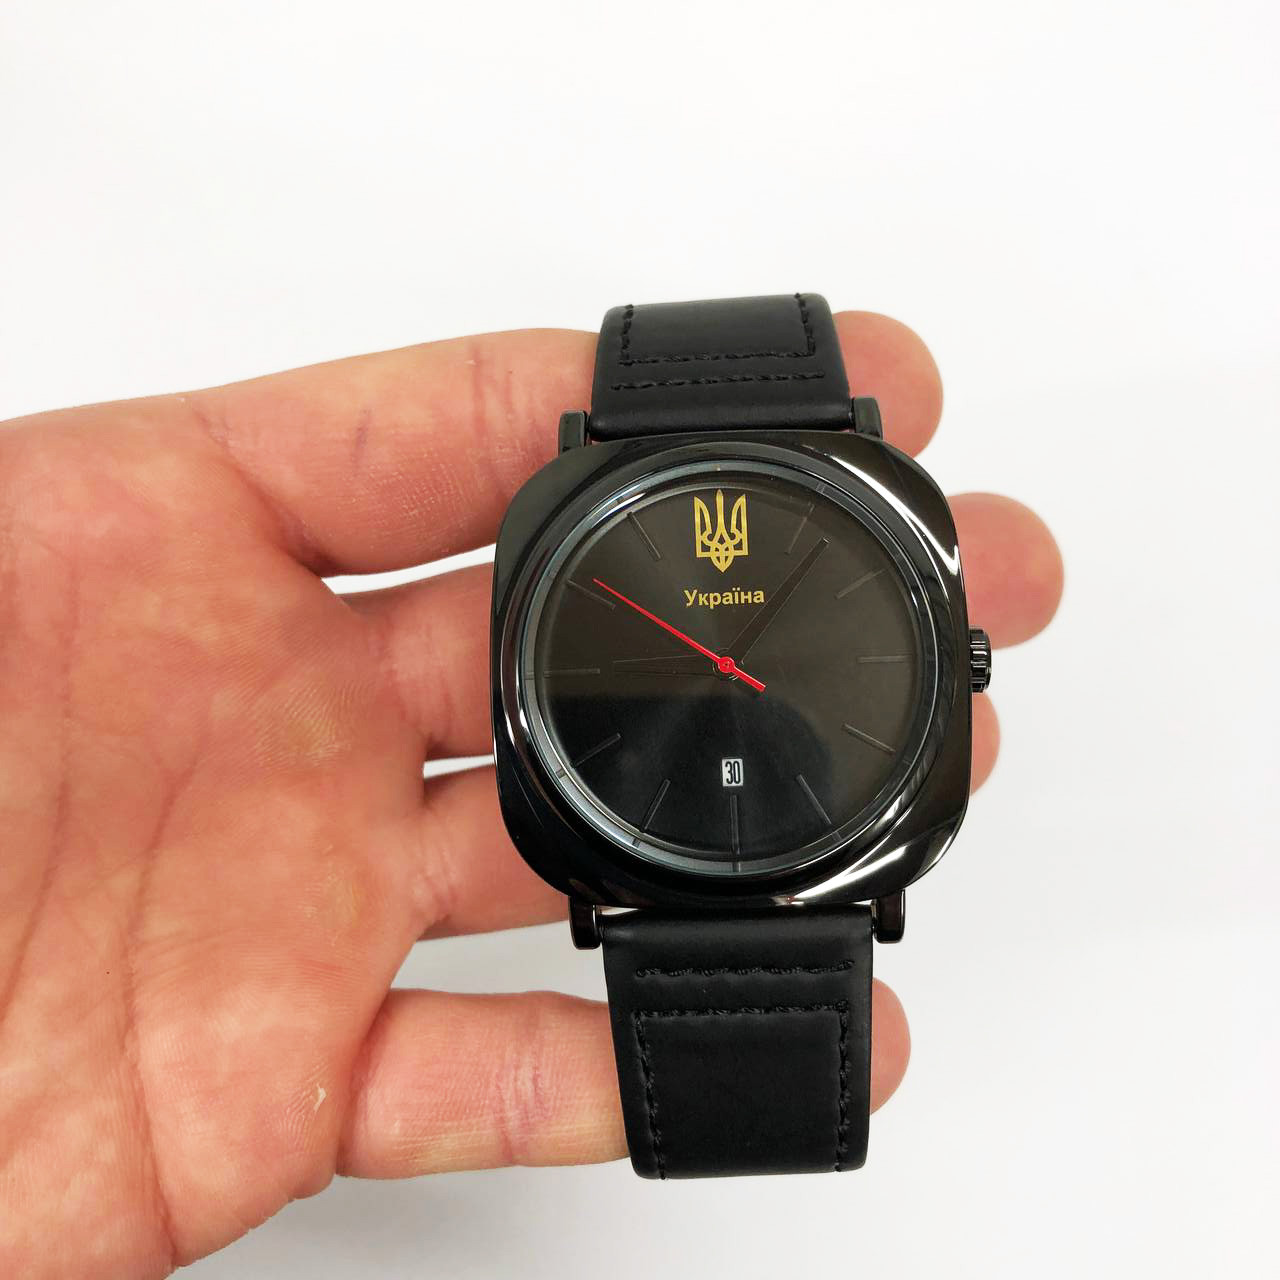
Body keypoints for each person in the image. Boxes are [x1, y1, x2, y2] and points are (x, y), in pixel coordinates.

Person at [0, 311, 1062, 1277]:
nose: (727, 672)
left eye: (732, 665)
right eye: (715, 664)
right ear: (968, 660)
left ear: (955, 659)